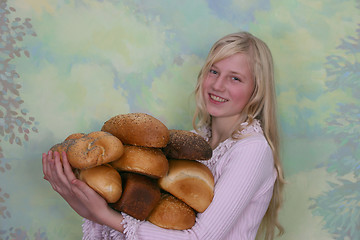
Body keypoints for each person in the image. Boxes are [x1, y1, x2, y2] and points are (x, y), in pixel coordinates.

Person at [42, 31, 285, 240]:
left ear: (257, 90)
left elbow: (201, 237)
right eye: (214, 71)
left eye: (235, 78)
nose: (218, 85)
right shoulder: (193, 142)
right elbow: (156, 223)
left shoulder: (252, 150)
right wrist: (80, 199)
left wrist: (105, 215)